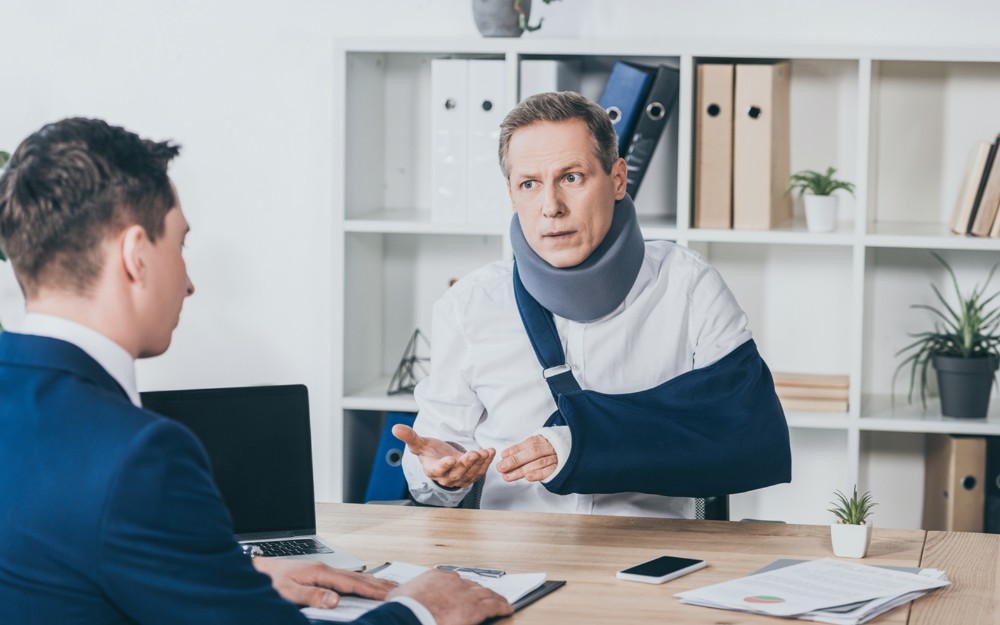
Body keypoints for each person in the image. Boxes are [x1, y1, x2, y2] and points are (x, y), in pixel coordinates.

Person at [0, 118, 512, 625]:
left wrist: (231, 575)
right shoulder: (139, 456)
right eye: (179, 245)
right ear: (135, 255)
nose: (189, 283)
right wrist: (421, 609)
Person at [395, 91, 791, 518]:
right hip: (512, 561)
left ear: (618, 179)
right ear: (512, 194)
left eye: (572, 177)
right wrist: (440, 472)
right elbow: (434, 475)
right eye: (530, 184)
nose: (551, 207)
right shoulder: (468, 306)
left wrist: (575, 445)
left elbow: (747, 435)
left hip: (650, 560)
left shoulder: (688, 286)